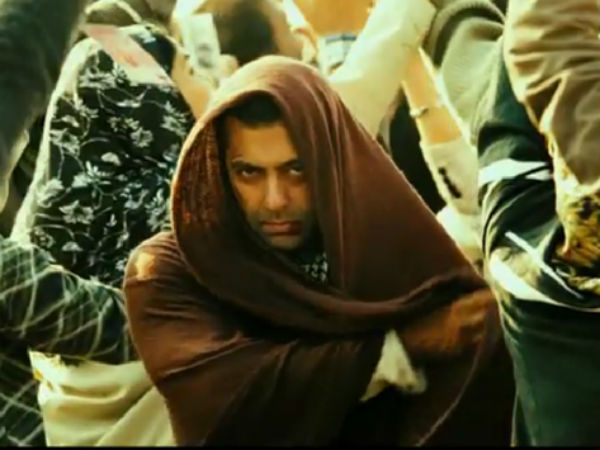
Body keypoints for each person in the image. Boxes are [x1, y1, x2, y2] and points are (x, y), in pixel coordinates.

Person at [125, 56, 506, 446]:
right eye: (249, 173)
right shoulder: (172, 269)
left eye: (297, 170)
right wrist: (404, 346)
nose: (275, 200)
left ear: (330, 162)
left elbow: (470, 340)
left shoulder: (375, 245)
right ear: (220, 169)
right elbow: (227, 401)